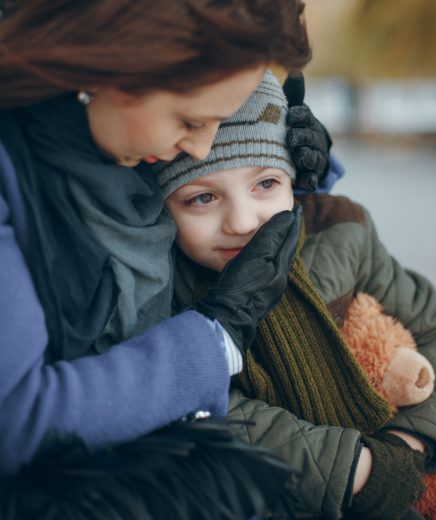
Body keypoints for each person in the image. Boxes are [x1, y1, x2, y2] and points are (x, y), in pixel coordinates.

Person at [0, 0, 340, 490]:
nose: (202, 148)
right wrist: (217, 334)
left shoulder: (111, 130)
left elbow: (225, 174)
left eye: (218, 123)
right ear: (115, 67)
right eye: (189, 121)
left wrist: (302, 163)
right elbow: (19, 420)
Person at [162, 70, 436, 519]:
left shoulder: (341, 233)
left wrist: (410, 442)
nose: (244, 221)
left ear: (295, 179)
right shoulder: (169, 287)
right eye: (203, 199)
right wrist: (354, 468)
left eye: (266, 184)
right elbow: (201, 404)